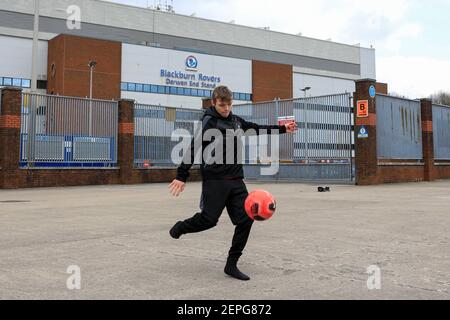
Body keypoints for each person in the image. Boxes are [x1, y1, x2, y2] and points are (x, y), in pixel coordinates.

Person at [169, 85, 297, 281]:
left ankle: (231, 264)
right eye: (222, 105)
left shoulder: (236, 121)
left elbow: (256, 128)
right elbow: (193, 147)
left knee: (246, 219)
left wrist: (282, 129)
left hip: (236, 180)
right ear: (214, 102)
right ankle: (181, 227)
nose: (226, 108)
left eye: (229, 104)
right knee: (209, 220)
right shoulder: (209, 122)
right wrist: (181, 175)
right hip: (215, 181)